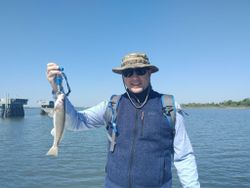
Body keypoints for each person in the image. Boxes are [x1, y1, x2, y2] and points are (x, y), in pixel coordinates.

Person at [46, 53, 200, 188]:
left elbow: (184, 156)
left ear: (150, 73)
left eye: (140, 71)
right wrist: (57, 91)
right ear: (123, 77)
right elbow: (77, 122)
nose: (134, 77)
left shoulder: (169, 107)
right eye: (128, 72)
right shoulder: (111, 105)